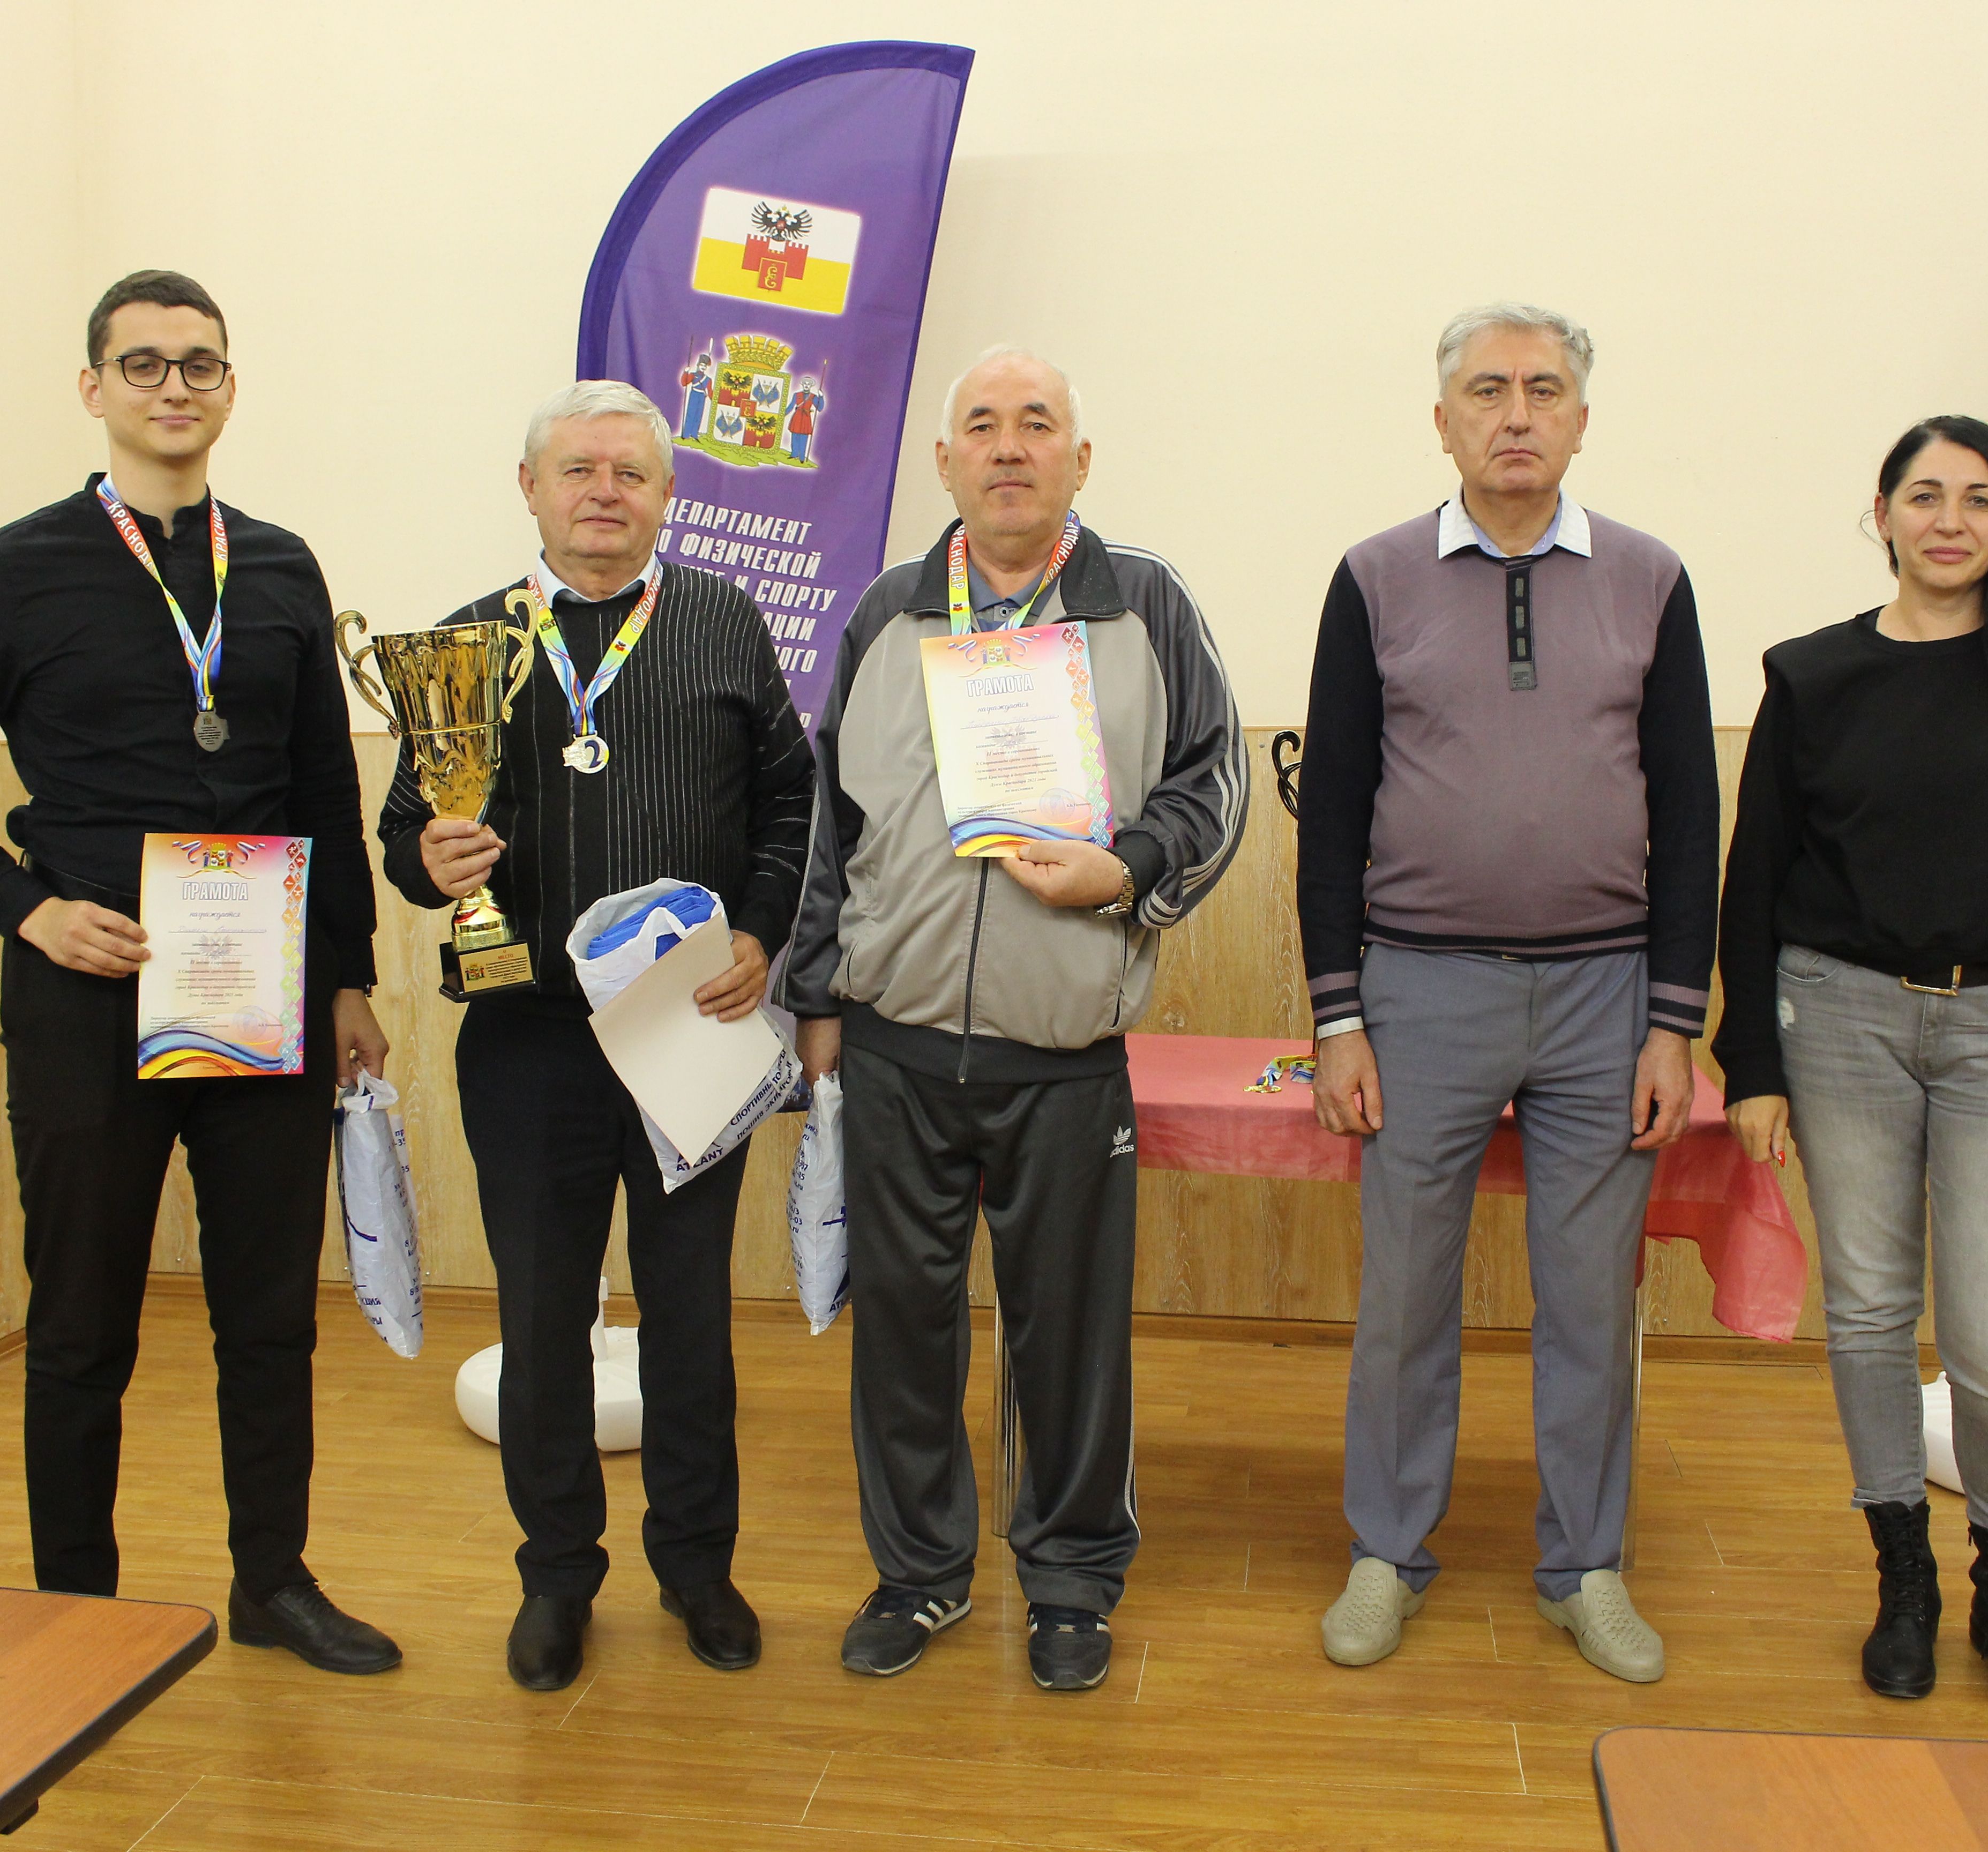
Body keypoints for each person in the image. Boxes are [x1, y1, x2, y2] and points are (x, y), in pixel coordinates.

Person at [0, 270, 401, 1672]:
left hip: (263, 991)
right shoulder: (10, 571)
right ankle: (75, 1615)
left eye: (201, 364)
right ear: (94, 387)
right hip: (88, 994)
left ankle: (274, 1585)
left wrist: (347, 977)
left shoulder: (280, 567)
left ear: (230, 387)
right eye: (146, 364)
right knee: (81, 1322)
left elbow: (322, 791)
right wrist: (31, 913)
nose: (176, 387)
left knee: (269, 1321)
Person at [783, 346, 1244, 1693]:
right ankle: (919, 1575)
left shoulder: (1143, 604)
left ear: (1079, 460)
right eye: (980, 426)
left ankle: (1073, 1581)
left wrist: (1131, 871)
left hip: (1064, 1052)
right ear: (944, 463)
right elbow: (828, 824)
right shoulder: (887, 613)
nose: (1007, 447)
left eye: (1036, 424)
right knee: (904, 1333)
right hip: (896, 1041)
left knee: (1071, 1339)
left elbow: (1215, 784)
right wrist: (818, 997)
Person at [1296, 303, 1719, 1683]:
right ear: (1444, 422)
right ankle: (1387, 1551)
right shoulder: (1374, 578)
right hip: (1419, 990)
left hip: (1607, 999)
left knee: (1591, 1303)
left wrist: (1674, 1023)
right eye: (1487, 391)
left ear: (1582, 421)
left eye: (1544, 390)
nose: (1517, 414)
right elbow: (1333, 810)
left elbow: (1690, 811)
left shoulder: (1650, 578)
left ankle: (1586, 1566)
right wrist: (1339, 1015)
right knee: (1406, 1297)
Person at [1712, 415, 1988, 1718]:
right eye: (1924, 495)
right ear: (1883, 514)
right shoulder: (1814, 676)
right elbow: (1756, 879)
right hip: (1839, 1020)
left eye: (1978, 499)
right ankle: (1902, 1577)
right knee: (1866, 1312)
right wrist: (1752, 1062)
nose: (1949, 521)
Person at [379, 380, 813, 1693]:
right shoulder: (466, 644)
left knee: (690, 1319)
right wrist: (427, 857)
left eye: (630, 472)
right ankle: (557, 1578)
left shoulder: (724, 621)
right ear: (532, 489)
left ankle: (697, 1568)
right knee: (542, 1320)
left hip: (691, 1030)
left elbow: (790, 800)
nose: (604, 493)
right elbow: (401, 833)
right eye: (578, 470)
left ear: (667, 494)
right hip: (528, 1046)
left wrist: (762, 930)